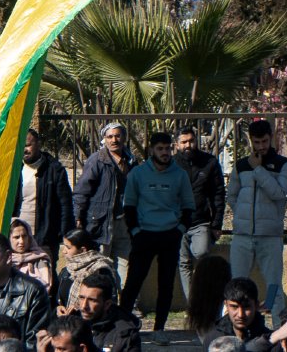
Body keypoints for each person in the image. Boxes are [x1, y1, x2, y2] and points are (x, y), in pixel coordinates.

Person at [119, 132, 193, 332]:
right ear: (151, 150)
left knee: (166, 284)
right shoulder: (138, 173)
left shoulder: (180, 175)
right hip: (144, 235)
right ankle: (121, 327)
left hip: (170, 235)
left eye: (168, 148)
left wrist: (179, 230)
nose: (164, 153)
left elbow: (188, 207)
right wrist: (135, 231)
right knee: (133, 281)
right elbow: (129, 206)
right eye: (160, 149)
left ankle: (159, 329)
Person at [228, 121, 287, 315]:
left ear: (271, 137)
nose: (261, 146)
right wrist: (241, 214)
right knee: (236, 285)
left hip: (270, 236)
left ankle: (277, 329)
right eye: (257, 142)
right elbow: (232, 195)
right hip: (242, 235)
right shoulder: (241, 165)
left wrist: (258, 170)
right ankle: (235, 328)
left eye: (264, 141)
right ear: (251, 141)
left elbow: (279, 193)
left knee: (274, 286)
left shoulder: (284, 164)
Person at [174, 127, 227, 331]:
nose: (188, 145)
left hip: (201, 222)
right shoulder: (171, 164)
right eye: (184, 142)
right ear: (177, 144)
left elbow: (218, 194)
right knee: (183, 263)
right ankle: (193, 306)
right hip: (177, 224)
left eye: (191, 141)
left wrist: (217, 224)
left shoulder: (210, 162)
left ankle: (207, 302)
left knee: (202, 255)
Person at [73, 125, 134, 265]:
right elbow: (82, 191)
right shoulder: (97, 160)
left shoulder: (131, 161)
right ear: (104, 139)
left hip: (123, 224)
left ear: (124, 138)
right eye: (110, 137)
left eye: (117, 136)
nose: (114, 140)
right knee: (100, 268)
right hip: (100, 224)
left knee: (123, 271)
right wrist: (78, 216)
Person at [15, 131, 72, 259]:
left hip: (45, 237)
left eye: (28, 145)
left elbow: (65, 204)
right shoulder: (14, 169)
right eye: (21, 146)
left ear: (39, 144)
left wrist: (64, 233)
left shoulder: (54, 170)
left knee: (45, 275)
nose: (24, 150)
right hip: (18, 237)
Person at [70, 268, 139, 352]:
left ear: (107, 304)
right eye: (81, 298)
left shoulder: (124, 334)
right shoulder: (70, 323)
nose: (84, 306)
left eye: (92, 300)